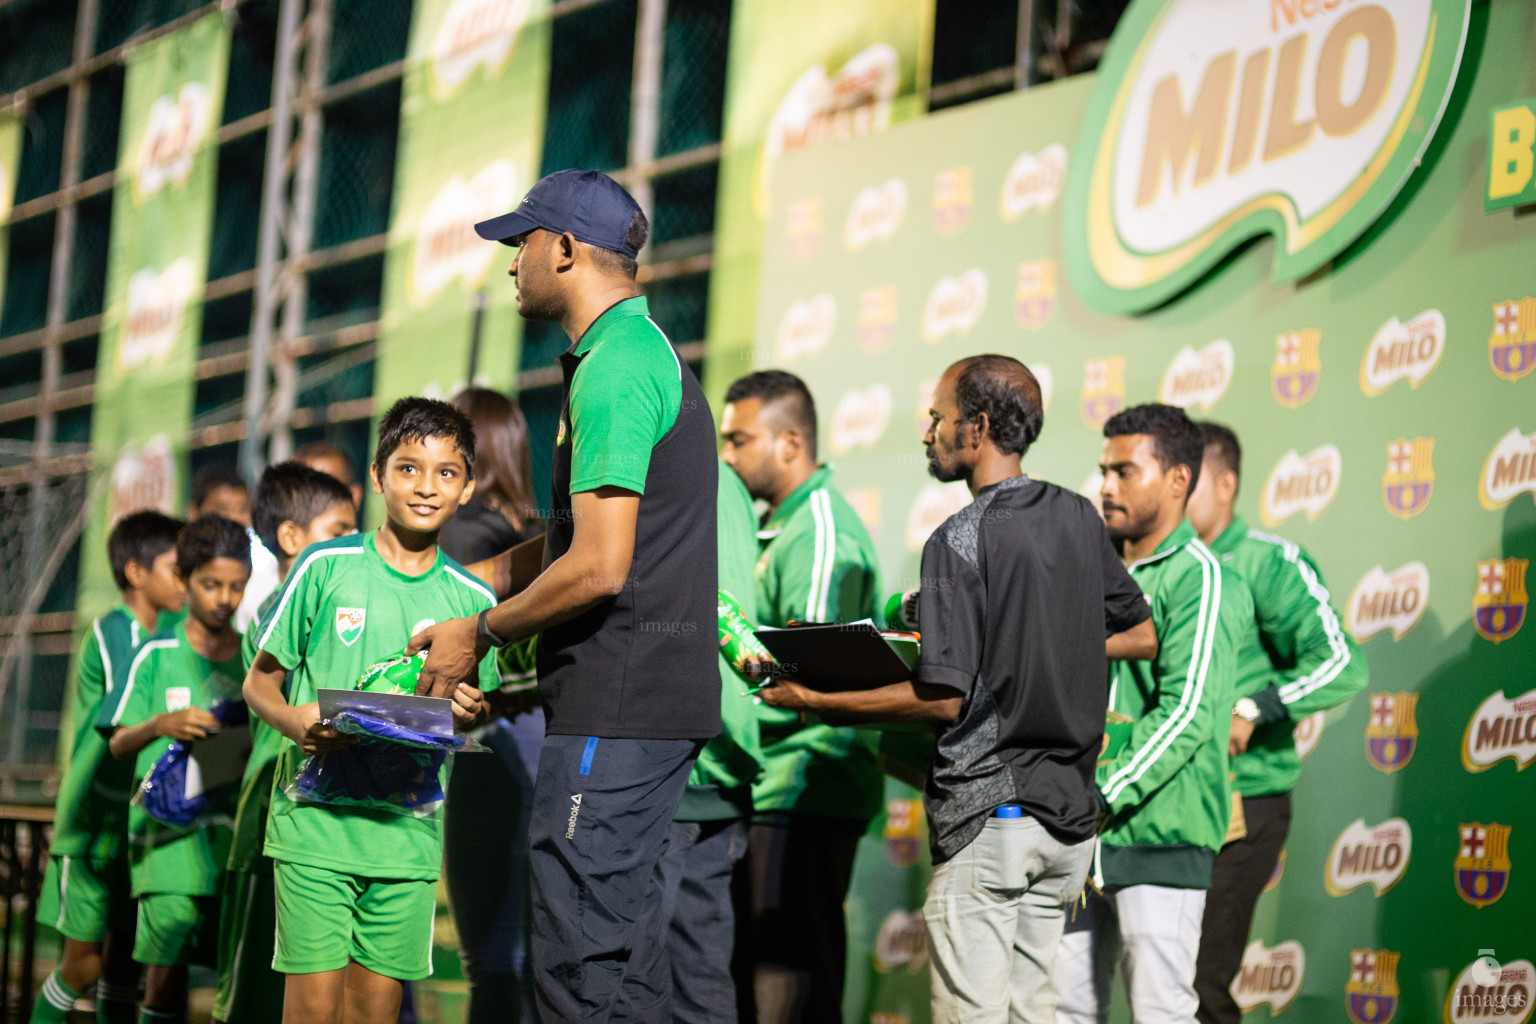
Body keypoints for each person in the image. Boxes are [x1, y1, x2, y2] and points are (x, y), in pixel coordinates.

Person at [409, 168, 720, 1023]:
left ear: (568, 250)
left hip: (617, 712)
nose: (511, 265)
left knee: (578, 970)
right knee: (627, 969)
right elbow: (582, 536)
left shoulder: (616, 365)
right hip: (642, 710)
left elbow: (602, 566)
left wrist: (479, 629)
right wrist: (475, 585)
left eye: (522, 245)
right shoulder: (634, 350)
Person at [758, 356, 1156, 1024]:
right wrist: (1036, 648)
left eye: (937, 418)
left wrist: (816, 701)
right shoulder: (1080, 518)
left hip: (990, 821)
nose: (927, 433)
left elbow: (942, 700)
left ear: (976, 428)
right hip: (1067, 830)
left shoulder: (958, 538)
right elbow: (1141, 633)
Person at [241, 398, 496, 1024]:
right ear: (378, 478)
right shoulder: (325, 568)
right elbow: (260, 686)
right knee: (311, 1013)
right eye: (408, 468)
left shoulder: (473, 600)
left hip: (405, 840)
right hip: (315, 831)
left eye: (446, 472)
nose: (426, 486)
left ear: (466, 488)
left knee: (373, 1014)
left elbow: (472, 711)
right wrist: (294, 720)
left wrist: (470, 710)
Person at [1054, 404, 1253, 1024]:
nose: (1106, 486)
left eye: (1124, 471)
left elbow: (1189, 710)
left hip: (1159, 835)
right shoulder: (1089, 572)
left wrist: (1100, 791)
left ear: (1178, 480)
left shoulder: (1203, 579)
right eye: (1103, 470)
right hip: (1076, 835)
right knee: (1062, 1010)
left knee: (1160, 1012)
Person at [1185, 423, 1367, 1024]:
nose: (1172, 491)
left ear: (1226, 484)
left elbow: (1341, 662)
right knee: (1160, 984)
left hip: (1244, 801)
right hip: (1164, 805)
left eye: (1187, 479)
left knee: (1200, 989)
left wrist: (1253, 706)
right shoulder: (1155, 567)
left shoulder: (1266, 561)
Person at [718, 369, 881, 1024]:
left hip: (803, 785)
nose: (726, 457)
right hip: (774, 785)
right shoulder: (778, 524)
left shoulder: (816, 531)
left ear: (790, 443)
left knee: (789, 988)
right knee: (762, 982)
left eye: (739, 440)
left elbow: (808, 682)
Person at [213, 463, 357, 1024]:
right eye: (339, 531)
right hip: (273, 818)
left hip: (315, 818)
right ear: (292, 538)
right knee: (253, 988)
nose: (354, 544)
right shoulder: (285, 609)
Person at [32, 512, 186, 1024]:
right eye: (175, 568)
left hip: (135, 823)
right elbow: (125, 724)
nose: (185, 580)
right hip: (92, 823)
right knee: (83, 965)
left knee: (122, 966)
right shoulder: (114, 633)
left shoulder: (171, 633)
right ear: (138, 573)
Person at [103, 515, 252, 1024]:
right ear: (185, 580)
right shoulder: (154, 654)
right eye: (210, 584)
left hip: (232, 846)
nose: (224, 598)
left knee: (233, 981)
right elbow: (119, 741)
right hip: (167, 844)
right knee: (165, 977)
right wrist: (163, 723)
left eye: (236, 586)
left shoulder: (257, 658)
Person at [438, 387, 545, 1024]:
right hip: (549, 751)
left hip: (490, 752)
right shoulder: (542, 538)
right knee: (541, 957)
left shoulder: (453, 540)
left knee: (492, 961)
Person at [659, 464, 766, 1024]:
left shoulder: (653, 470)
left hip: (674, 759)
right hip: (725, 759)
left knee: (633, 969)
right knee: (700, 974)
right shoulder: (734, 485)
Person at [239, 442, 363, 633]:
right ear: (289, 536)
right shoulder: (259, 600)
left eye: (329, 485)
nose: (318, 495)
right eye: (301, 484)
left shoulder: (363, 578)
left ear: (354, 496)